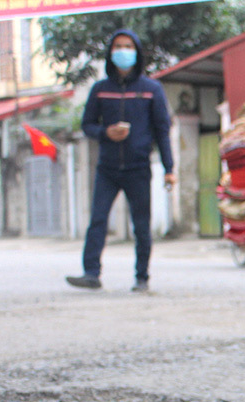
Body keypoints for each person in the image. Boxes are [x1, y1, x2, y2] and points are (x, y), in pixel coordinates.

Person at [66, 29, 175, 292]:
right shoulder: (100, 90)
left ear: (136, 53)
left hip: (138, 167)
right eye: (118, 46)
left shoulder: (151, 89)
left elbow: (162, 129)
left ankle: (142, 277)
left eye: (128, 46)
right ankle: (91, 273)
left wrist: (169, 168)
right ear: (110, 53)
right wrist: (106, 132)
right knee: (98, 220)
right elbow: (87, 125)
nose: (123, 50)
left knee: (141, 225)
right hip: (107, 168)